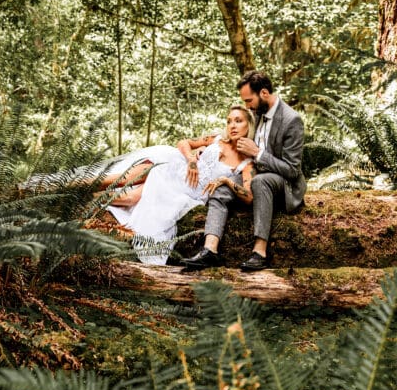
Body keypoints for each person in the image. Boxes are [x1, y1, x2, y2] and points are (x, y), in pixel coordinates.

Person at [182, 70, 305, 272]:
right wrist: (206, 151)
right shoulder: (257, 112)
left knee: (260, 181)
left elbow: (292, 170)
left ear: (264, 93)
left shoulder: (291, 120)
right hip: (252, 172)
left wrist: (257, 153)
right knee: (221, 187)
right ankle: (210, 250)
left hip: (283, 182)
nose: (248, 106)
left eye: (249, 100)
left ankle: (260, 251)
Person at [103, 105, 257, 264]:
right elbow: (184, 142)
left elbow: (249, 197)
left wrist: (227, 181)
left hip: (190, 194)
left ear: (249, 125)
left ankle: (92, 196)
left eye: (238, 121)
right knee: (128, 190)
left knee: (131, 198)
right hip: (176, 172)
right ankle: (87, 193)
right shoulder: (217, 139)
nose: (232, 125)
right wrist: (191, 159)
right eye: (229, 121)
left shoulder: (247, 164)